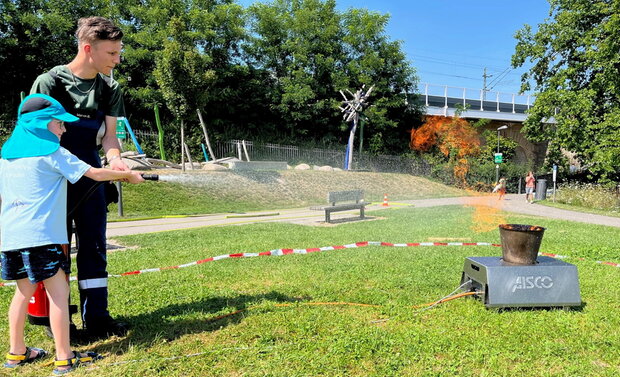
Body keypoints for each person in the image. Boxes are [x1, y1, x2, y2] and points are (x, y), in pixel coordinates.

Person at [1, 94, 144, 374]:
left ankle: (17, 353)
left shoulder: (6, 158)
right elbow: (94, 173)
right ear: (41, 124)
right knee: (59, 293)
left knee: (21, 294)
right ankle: (64, 357)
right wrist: (127, 176)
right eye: (59, 124)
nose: (63, 129)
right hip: (44, 238)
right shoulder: (52, 153)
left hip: (12, 239)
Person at [30, 16, 130, 337]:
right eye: (112, 53)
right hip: (53, 179)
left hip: (91, 177)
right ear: (88, 49)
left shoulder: (109, 88)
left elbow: (110, 138)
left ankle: (97, 317)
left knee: (94, 247)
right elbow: (38, 140)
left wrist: (115, 161)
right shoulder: (49, 83)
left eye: (118, 52)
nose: (118, 59)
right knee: (56, 250)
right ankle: (58, 324)